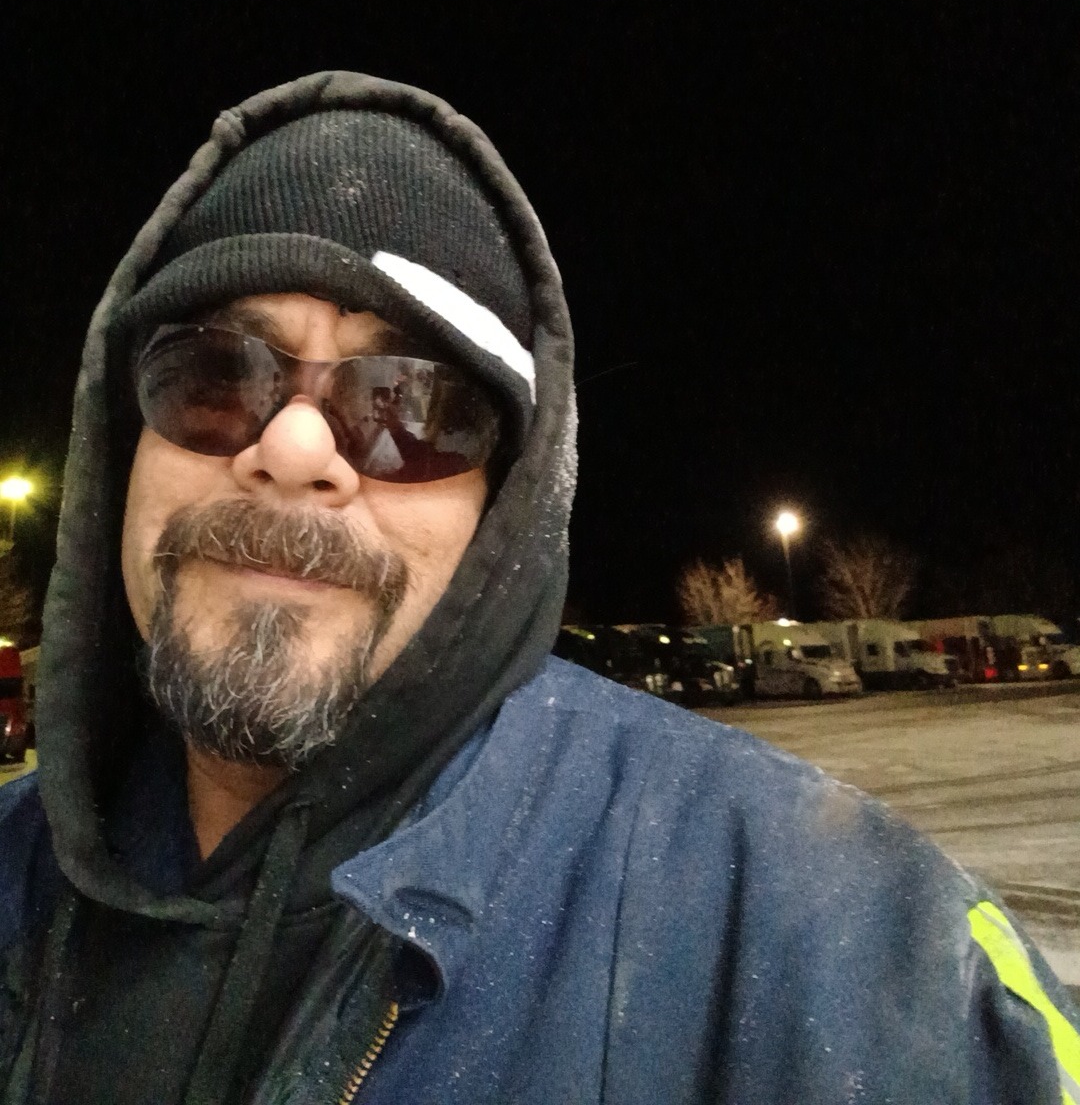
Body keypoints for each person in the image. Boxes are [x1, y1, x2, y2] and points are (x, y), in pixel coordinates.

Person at [0, 70, 1076, 1105]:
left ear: (504, 513)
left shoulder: (820, 934)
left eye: (408, 407)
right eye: (213, 377)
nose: (291, 448)